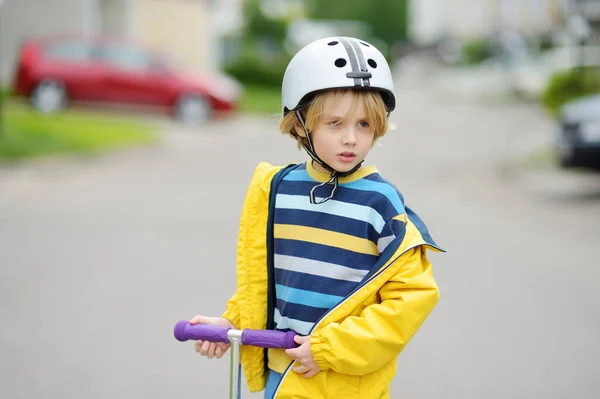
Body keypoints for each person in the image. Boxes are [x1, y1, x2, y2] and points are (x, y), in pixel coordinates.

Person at [188, 36, 445, 399]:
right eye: (335, 124)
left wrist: (330, 349)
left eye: (364, 125)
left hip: (343, 381)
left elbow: (411, 298)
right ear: (299, 124)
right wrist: (233, 322)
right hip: (283, 373)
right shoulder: (277, 188)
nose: (351, 139)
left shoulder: (381, 201)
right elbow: (270, 280)